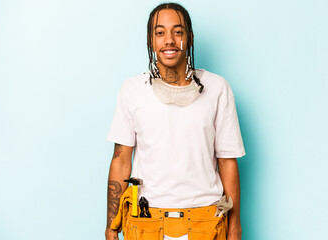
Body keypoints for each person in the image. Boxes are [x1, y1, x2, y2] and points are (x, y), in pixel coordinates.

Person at [105, 3, 246, 240]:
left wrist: (235, 225)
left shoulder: (218, 88)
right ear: (151, 40)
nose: (169, 40)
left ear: (189, 38)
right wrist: (111, 226)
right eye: (160, 33)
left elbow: (227, 161)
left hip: (206, 220)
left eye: (177, 32)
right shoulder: (132, 90)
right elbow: (120, 160)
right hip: (146, 221)